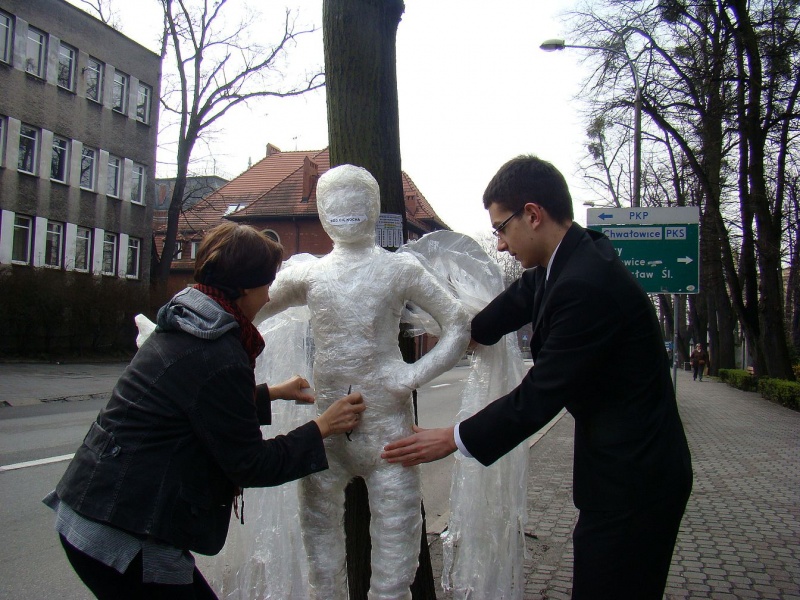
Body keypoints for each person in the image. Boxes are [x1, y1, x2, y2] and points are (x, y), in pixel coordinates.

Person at [383, 155, 693, 600]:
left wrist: (452, 438)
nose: (501, 245)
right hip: (621, 470)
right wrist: (464, 334)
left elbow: (541, 395)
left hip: (637, 483)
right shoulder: (567, 260)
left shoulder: (586, 284)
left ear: (532, 214)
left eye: (501, 229)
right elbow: (517, 301)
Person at [43, 221, 365, 600]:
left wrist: (272, 393)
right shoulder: (219, 351)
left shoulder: (188, 319)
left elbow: (196, 403)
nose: (269, 296)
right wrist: (322, 427)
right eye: (267, 283)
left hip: (95, 506)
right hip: (123, 533)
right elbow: (250, 464)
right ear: (245, 288)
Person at [252, 164, 470, 600]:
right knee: (324, 559)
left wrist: (410, 376)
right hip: (329, 432)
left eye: (354, 200)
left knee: (392, 558)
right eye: (336, 201)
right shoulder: (311, 275)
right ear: (322, 209)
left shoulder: (397, 270)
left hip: (384, 431)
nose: (345, 210)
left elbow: (457, 323)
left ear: (371, 207)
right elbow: (247, 312)